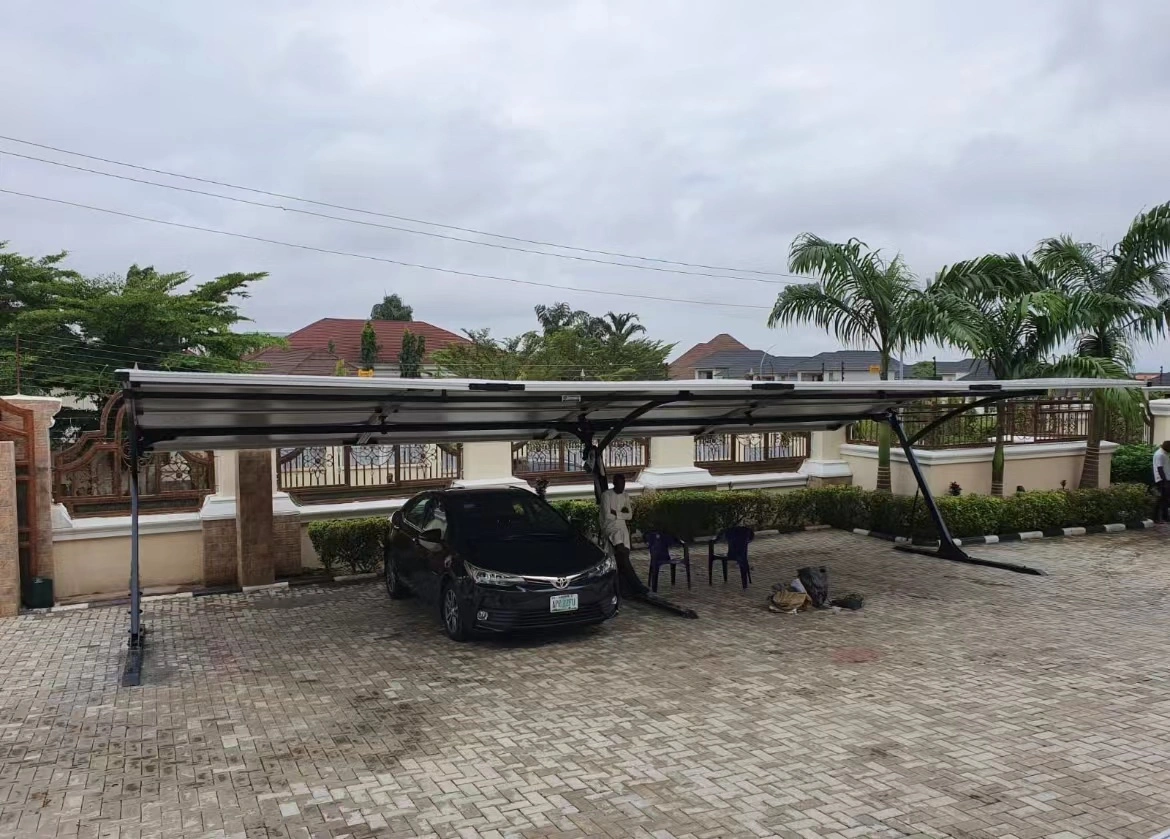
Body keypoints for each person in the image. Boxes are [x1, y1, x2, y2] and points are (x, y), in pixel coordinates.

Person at [600, 474, 633, 567]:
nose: (622, 487)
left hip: (622, 525)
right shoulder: (606, 495)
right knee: (617, 537)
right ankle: (623, 567)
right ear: (614, 483)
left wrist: (616, 513)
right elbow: (607, 515)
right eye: (619, 484)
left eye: (623, 484)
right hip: (609, 525)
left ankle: (623, 568)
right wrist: (622, 515)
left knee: (625, 546)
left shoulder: (626, 496)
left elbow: (630, 516)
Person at [1155, 442, 1170, 523]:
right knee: (1161, 499)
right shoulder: (1160, 454)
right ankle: (1156, 518)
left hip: (1166, 479)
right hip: (1162, 480)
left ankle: (1165, 517)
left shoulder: (1165, 454)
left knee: (1165, 499)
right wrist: (1164, 482)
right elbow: (1160, 468)